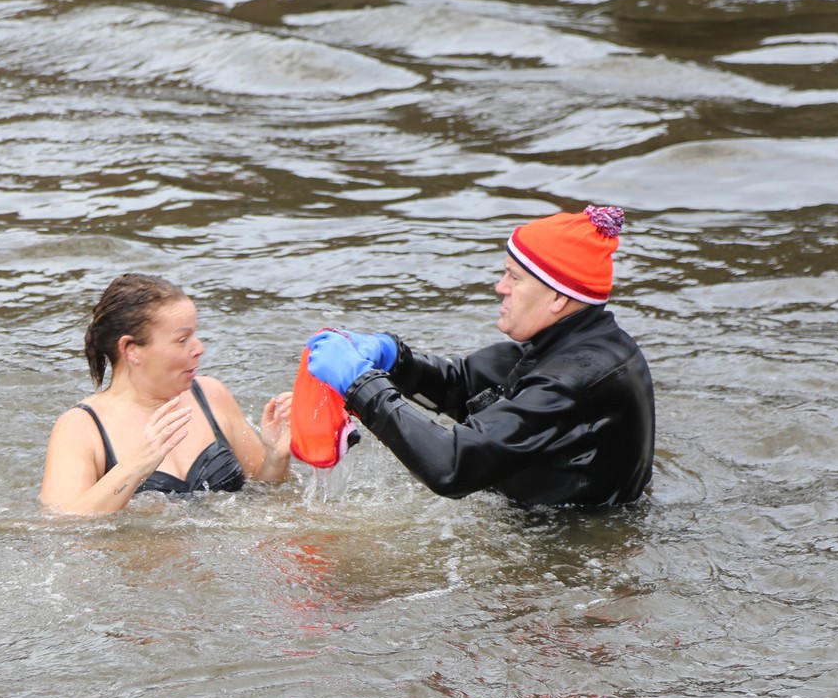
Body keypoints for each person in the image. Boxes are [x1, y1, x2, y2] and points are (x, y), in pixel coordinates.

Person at [305, 205, 654, 508]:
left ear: (558, 298)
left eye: (514, 278)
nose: (501, 287)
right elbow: (462, 387)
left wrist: (361, 385)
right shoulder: (574, 345)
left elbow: (451, 467)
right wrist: (395, 359)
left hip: (569, 546)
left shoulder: (572, 380)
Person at [41, 273, 293, 515]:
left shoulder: (211, 394)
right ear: (131, 349)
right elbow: (61, 525)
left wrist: (276, 457)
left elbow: (264, 495)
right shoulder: (81, 427)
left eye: (195, 334)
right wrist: (135, 466)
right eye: (182, 339)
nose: (199, 348)